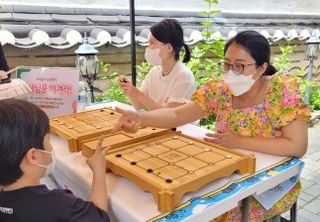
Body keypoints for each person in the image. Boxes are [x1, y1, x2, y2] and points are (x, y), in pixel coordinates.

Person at [112, 30, 310, 221]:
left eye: (240, 66)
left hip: (270, 184)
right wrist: (140, 118)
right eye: (227, 64)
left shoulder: (281, 90)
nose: (231, 72)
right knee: (186, 204)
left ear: (261, 67)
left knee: (221, 213)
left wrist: (240, 141)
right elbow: (176, 114)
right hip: (228, 169)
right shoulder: (219, 90)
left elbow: (297, 146)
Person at [0, 99, 110, 222]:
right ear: (33, 156)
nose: (51, 146)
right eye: (48, 140)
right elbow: (99, 217)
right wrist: (99, 170)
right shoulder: (58, 204)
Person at [118, 19, 196, 110]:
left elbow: (169, 117)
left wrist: (139, 95)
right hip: (159, 123)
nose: (148, 47)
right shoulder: (154, 72)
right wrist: (130, 90)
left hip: (179, 124)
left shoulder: (184, 76)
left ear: (168, 48)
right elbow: (139, 105)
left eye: (152, 43)